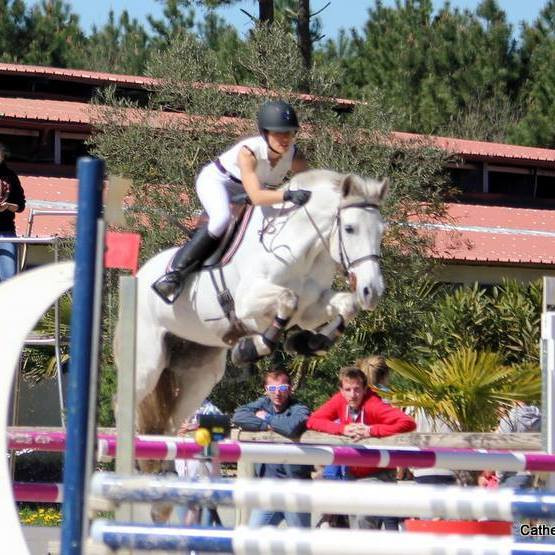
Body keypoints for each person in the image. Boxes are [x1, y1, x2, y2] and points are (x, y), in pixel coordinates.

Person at [152, 100, 310, 304]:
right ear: (265, 133)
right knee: (221, 219)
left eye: (289, 132)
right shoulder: (249, 152)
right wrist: (288, 195)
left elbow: (312, 182)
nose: (285, 138)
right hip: (219, 182)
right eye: (278, 133)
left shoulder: (295, 156)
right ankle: (175, 274)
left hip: (250, 189)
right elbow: (256, 197)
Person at [307, 366, 416, 530]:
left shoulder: (373, 404)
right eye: (348, 390)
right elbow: (312, 421)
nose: (353, 394)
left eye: (357, 389)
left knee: (363, 518)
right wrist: (341, 429)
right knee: (357, 522)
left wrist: (371, 430)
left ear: (365, 389)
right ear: (341, 390)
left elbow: (408, 422)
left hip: (378, 473)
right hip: (353, 473)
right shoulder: (339, 400)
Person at [232, 368, 312, 528]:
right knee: (253, 537)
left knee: (300, 540)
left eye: (282, 387)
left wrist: (267, 418)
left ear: (290, 389)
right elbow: (238, 416)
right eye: (272, 388)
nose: (277, 393)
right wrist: (266, 426)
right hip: (268, 490)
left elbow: (290, 427)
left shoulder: (299, 408)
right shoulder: (263, 403)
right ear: (266, 390)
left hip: (295, 491)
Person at [175, 400, 224, 528]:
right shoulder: (176, 408)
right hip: (183, 478)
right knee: (185, 528)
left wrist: (196, 427)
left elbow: (222, 429)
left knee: (205, 526)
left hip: (206, 477)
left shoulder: (209, 408)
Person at [0, 143, 25, 282]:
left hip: (6, 231)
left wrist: (8, 206)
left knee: (9, 277)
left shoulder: (11, 176)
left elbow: (20, 205)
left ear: (3, 156)